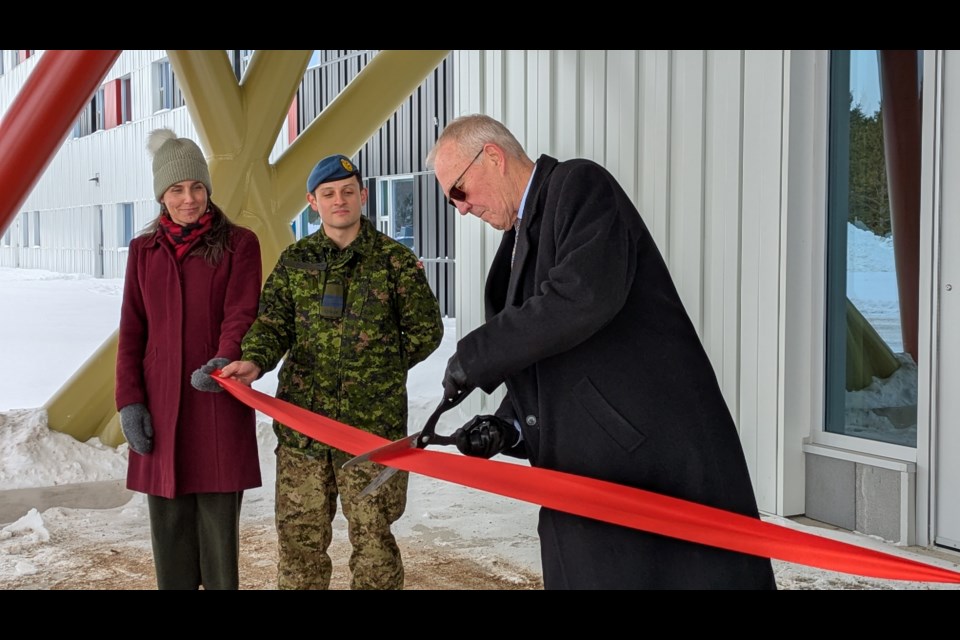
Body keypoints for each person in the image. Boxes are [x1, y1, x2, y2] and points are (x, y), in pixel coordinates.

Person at [427, 114, 777, 590]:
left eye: (459, 192)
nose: (462, 210)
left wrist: (475, 355)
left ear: (492, 156)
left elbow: (581, 298)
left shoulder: (579, 186)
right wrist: (506, 426)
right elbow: (553, 354)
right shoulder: (520, 235)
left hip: (649, 465)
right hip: (588, 479)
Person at [213, 154, 444, 590]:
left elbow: (425, 331)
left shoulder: (395, 262)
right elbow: (272, 323)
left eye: (347, 191)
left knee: (374, 545)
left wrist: (377, 369)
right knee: (300, 546)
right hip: (304, 430)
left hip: (370, 432)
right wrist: (255, 360)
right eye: (328, 194)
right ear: (312, 202)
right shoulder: (295, 261)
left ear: (363, 195)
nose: (339, 200)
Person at [115, 128, 263, 590]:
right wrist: (130, 402)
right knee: (170, 532)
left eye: (197, 187)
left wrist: (223, 359)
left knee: (218, 539)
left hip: (215, 397)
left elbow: (242, 312)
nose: (189, 198)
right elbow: (132, 329)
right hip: (161, 407)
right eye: (177, 189)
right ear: (162, 195)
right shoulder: (144, 251)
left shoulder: (240, 244)